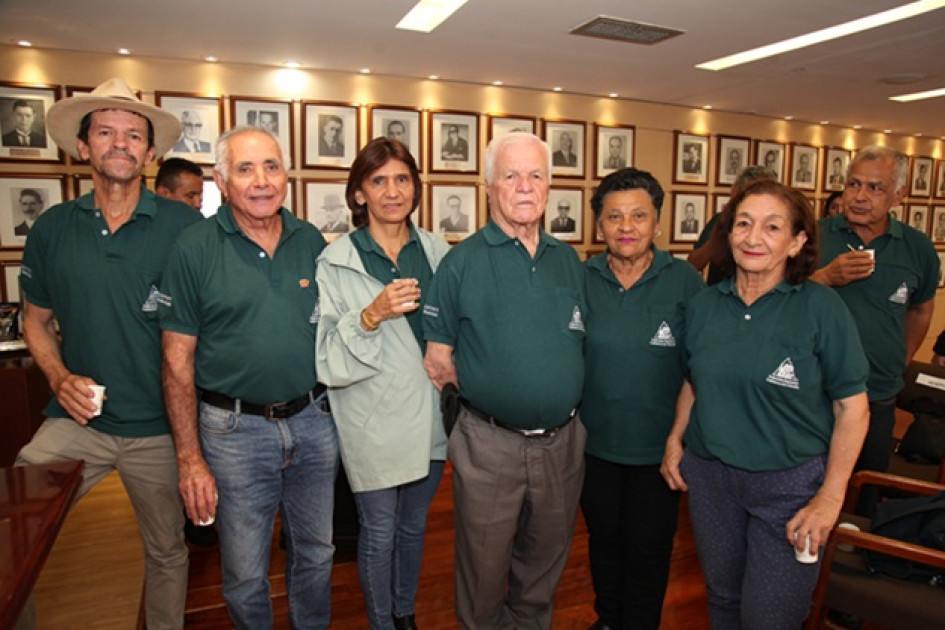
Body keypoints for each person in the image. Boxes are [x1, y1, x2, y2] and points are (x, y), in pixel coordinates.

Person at [15, 76, 198, 629]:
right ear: (82, 146)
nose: (120, 143)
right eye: (105, 132)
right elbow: (35, 321)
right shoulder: (52, 228)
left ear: (149, 152)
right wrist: (57, 377)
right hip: (77, 422)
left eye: (133, 135)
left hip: (160, 428)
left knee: (167, 552)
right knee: (15, 527)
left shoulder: (185, 228)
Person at [662, 180, 870, 629]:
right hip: (711, 479)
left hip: (790, 487)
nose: (753, 237)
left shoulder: (822, 308)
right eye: (743, 223)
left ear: (796, 242)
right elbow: (693, 382)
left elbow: (852, 408)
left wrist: (829, 499)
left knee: (771, 616)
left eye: (772, 227)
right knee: (722, 598)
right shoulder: (704, 306)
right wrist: (676, 440)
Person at [160, 126, 338, 628]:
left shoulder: (310, 240)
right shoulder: (193, 248)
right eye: (245, 169)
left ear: (286, 176)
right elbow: (176, 360)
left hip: (313, 421)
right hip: (234, 432)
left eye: (271, 167)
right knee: (244, 571)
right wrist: (189, 458)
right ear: (221, 181)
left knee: (317, 553)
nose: (261, 181)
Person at [423, 132, 586, 628]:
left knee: (543, 567)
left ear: (549, 185)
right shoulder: (461, 263)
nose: (525, 187)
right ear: (489, 186)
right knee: (483, 571)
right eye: (511, 176)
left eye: (536, 175)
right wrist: (497, 399)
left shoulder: (568, 260)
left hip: (562, 445)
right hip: (490, 445)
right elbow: (438, 362)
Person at [315, 137, 450, 630]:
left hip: (430, 414)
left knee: (413, 528)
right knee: (378, 532)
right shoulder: (336, 261)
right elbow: (327, 358)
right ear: (359, 194)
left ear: (416, 188)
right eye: (378, 181)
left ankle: (404, 613)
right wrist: (371, 314)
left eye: (402, 179)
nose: (392, 191)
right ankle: (381, 622)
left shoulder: (437, 252)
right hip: (371, 417)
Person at [580, 168, 705, 630]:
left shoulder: (686, 282)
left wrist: (679, 438)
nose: (626, 227)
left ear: (657, 223)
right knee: (603, 541)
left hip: (659, 451)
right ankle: (608, 619)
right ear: (599, 225)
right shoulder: (581, 278)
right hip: (593, 446)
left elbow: (700, 370)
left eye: (638, 215)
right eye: (614, 217)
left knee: (649, 549)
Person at [813, 146, 939, 516]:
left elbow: (921, 308)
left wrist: (904, 357)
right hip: (813, 389)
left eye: (874, 187)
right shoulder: (814, 236)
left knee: (866, 487)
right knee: (807, 485)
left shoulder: (917, 248)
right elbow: (779, 297)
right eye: (853, 184)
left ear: (899, 195)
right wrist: (825, 277)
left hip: (878, 391)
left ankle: (857, 543)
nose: (859, 196)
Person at [688, 166, 779, 286]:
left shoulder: (778, 226)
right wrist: (718, 237)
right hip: (721, 293)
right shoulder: (721, 220)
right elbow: (693, 264)